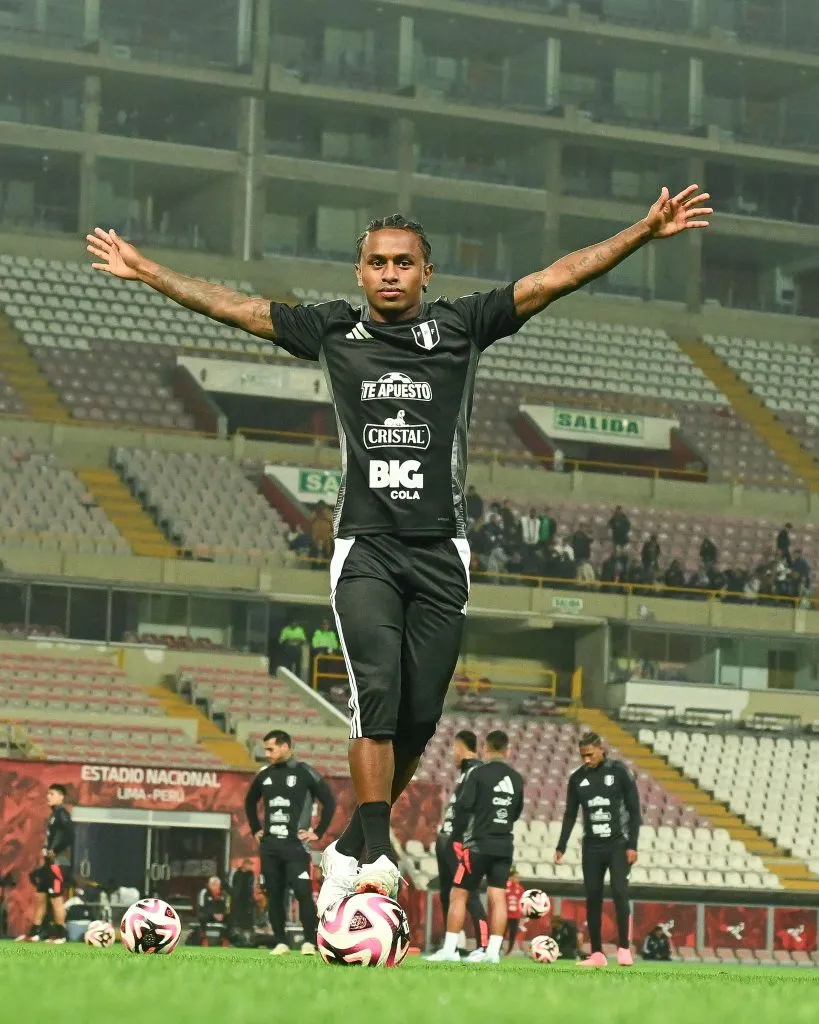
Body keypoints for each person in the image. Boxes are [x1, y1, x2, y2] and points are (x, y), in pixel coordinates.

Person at [87, 184, 711, 910]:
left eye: (402, 262)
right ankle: (375, 854)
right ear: (359, 274)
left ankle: (351, 844)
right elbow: (236, 306)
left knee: (418, 718)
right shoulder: (331, 331)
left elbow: (554, 278)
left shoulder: (463, 326)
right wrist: (149, 271)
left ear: (426, 272)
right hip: (367, 548)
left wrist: (640, 230)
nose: (388, 273)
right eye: (376, 262)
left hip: (443, 551)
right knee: (375, 694)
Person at [431, 730, 525, 965]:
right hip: (504, 845)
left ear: (486, 748)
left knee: (459, 894)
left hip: (478, 845)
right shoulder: (516, 778)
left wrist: (457, 837)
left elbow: (464, 807)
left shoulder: (478, 773)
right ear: (507, 751)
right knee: (497, 897)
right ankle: (492, 953)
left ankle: (450, 949)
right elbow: (516, 813)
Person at [244, 730, 336, 956]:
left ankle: (308, 942)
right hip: (270, 847)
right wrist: (256, 828)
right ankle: (280, 942)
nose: (267, 754)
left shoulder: (305, 772)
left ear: (285, 747)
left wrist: (318, 831)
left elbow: (329, 801)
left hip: (296, 846)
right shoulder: (264, 774)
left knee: (303, 892)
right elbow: (249, 801)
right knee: (273, 893)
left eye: (270, 749)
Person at [554, 731, 641, 968]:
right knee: (593, 897)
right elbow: (570, 813)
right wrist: (561, 845)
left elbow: (635, 811)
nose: (586, 760)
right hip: (591, 846)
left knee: (620, 891)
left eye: (590, 754)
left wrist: (632, 844)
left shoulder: (620, 772)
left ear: (601, 749)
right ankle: (597, 954)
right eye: (582, 755)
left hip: (617, 844)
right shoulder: (577, 779)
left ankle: (624, 948)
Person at [429, 730, 488, 958]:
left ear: (461, 748)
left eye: (455, 749)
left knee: (467, 892)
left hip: (460, 842)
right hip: (446, 839)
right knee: (447, 893)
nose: (453, 755)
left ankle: (484, 946)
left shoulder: (477, 772)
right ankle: (450, 946)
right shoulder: (464, 773)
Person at [16, 783, 74, 943]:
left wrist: (55, 849)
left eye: (52, 794)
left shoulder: (62, 813)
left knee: (56, 898)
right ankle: (34, 933)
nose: (48, 796)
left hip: (58, 864)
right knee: (39, 895)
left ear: (61, 797)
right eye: (48, 794)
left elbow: (70, 834)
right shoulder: (54, 815)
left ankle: (61, 935)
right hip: (49, 863)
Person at [195, 876, 229, 946]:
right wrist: (213, 914)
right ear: (209, 885)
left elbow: (227, 908)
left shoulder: (224, 894)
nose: (215, 887)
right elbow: (201, 907)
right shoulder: (204, 892)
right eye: (213, 884)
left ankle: (225, 939)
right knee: (202, 916)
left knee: (231, 918)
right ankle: (204, 938)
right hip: (208, 914)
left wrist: (223, 914)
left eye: (216, 885)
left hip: (221, 916)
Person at [504, 867, 524, 955]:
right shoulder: (504, 886)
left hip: (515, 915)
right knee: (501, 932)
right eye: (516, 877)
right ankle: (497, 949)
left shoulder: (520, 889)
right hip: (505, 914)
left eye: (519, 877)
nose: (518, 879)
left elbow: (523, 902)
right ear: (511, 877)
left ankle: (509, 952)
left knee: (513, 933)